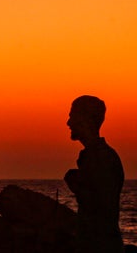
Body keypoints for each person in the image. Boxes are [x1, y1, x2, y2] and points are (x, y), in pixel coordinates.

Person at [63, 95, 124, 253]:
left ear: (85, 119)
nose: (68, 123)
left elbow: (101, 206)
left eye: (72, 116)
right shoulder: (95, 155)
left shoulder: (101, 157)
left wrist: (76, 183)